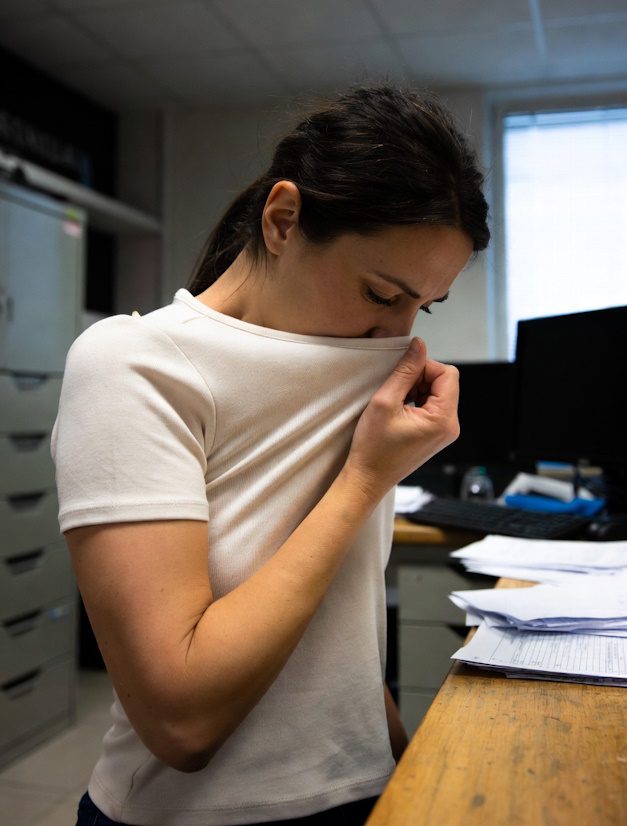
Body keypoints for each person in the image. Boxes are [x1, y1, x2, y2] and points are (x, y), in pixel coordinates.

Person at [51, 84, 489, 826]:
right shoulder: (136, 363)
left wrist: (399, 764)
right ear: (284, 220)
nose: (398, 334)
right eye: (382, 292)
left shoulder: (355, 360)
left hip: (361, 792)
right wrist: (363, 479)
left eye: (424, 306)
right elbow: (181, 722)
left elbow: (334, 621)